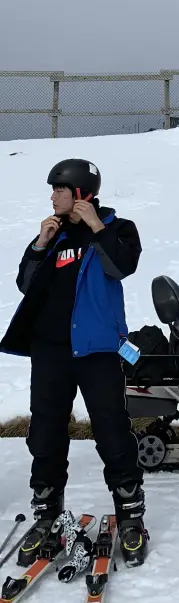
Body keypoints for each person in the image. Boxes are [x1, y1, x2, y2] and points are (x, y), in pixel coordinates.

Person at [0, 158, 149, 568]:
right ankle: (46, 514)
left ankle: (131, 516)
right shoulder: (54, 232)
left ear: (80, 192)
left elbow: (123, 265)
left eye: (58, 190)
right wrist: (39, 245)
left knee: (112, 431)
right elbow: (25, 284)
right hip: (51, 351)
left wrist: (97, 227)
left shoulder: (119, 228)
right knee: (45, 432)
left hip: (97, 349)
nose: (52, 197)